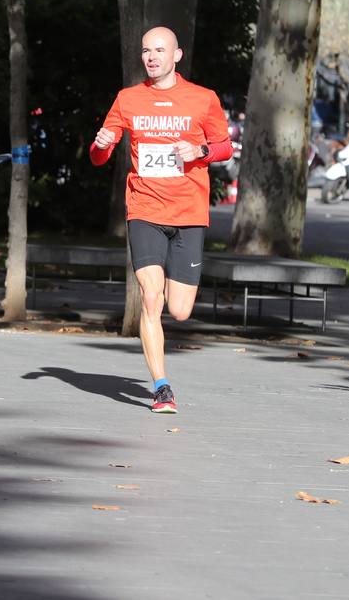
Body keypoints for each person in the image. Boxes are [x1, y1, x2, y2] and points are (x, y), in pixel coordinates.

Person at [89, 26, 232, 414]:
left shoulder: (203, 99)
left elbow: (225, 148)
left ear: (177, 55)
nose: (151, 57)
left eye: (159, 50)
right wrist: (99, 146)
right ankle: (162, 387)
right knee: (150, 298)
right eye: (146, 51)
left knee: (180, 309)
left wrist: (199, 149)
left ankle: (173, 292)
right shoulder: (128, 99)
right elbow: (99, 154)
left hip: (188, 212)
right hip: (145, 209)